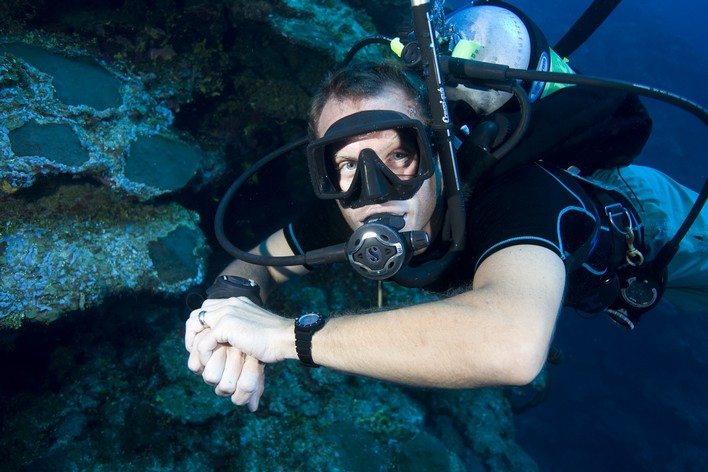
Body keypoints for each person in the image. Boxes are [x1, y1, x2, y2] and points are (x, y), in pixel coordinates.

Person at [185, 6, 707, 413]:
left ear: (435, 149)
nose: (377, 190)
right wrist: (220, 322)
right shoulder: (347, 208)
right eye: (346, 165)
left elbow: (511, 346)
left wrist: (282, 337)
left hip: (662, 231)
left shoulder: (518, 196)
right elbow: (253, 264)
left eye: (400, 154)